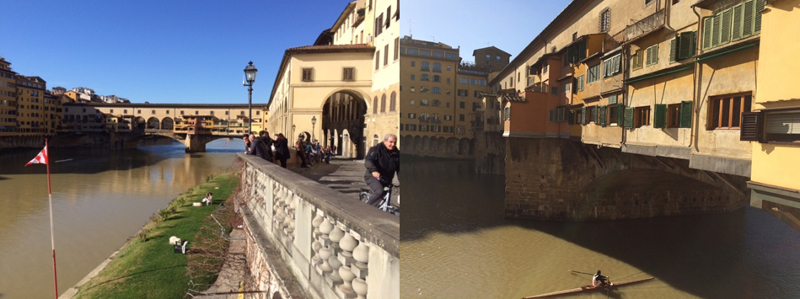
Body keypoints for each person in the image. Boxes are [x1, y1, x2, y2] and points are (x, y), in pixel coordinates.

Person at [364, 134, 400, 207]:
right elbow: (368, 161)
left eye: (395, 142)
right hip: (373, 177)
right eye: (391, 142)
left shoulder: (397, 154)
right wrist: (374, 170)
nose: (393, 144)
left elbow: (399, 169)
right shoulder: (376, 149)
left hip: (387, 179)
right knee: (380, 191)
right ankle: (366, 209)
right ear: (384, 142)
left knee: (387, 198)